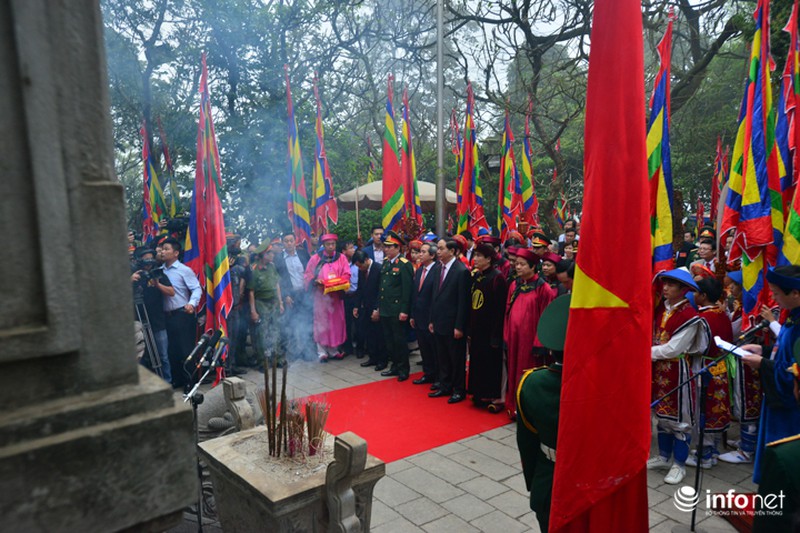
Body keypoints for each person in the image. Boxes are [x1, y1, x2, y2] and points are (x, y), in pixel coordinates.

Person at [647, 268, 710, 485]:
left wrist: (642, 352)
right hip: (658, 370)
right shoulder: (661, 309)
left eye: (671, 285)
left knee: (680, 420)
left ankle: (679, 464)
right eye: (664, 283)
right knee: (662, 417)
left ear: (684, 290)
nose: (665, 288)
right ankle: (664, 457)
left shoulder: (689, 317)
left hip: (678, 371)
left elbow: (673, 349)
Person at [739, 265, 800, 483]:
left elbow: (794, 370)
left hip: (791, 411)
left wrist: (763, 364)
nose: (773, 297)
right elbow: (785, 350)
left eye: (775, 293)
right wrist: (763, 351)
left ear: (794, 293)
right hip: (777, 403)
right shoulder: (794, 316)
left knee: (784, 469)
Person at [517, 294, 570, 533]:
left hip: (548, 478)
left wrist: (535, 480)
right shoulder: (604, 385)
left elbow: (526, 442)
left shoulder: (531, 383)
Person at [503, 247, 557, 419]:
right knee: (513, 370)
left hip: (530, 340)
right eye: (516, 264)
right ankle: (513, 406)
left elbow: (545, 316)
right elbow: (507, 311)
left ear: (533, 267)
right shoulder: (514, 285)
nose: (518, 267)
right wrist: (506, 335)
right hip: (514, 338)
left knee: (527, 373)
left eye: (522, 264)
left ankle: (529, 410)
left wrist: (540, 343)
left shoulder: (544, 288)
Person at [687, 277, 733, 469]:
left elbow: (699, 347)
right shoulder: (722, 313)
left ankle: (704, 456)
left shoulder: (702, 319)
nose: (693, 295)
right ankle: (712, 451)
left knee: (702, 409)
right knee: (716, 408)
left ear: (703, 296)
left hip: (703, 367)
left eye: (696, 292)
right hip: (720, 367)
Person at [718, 269, 763, 464]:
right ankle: (746, 442)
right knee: (743, 401)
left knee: (748, 403)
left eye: (736, 285)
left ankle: (747, 450)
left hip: (749, 363)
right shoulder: (740, 308)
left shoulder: (751, 311)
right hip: (742, 359)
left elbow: (735, 331)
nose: (732, 288)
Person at [428, 238, 472, 403]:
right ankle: (445, 386)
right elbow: (435, 296)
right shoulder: (439, 268)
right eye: (437, 249)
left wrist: (459, 326)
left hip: (453, 324)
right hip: (439, 321)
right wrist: (432, 319)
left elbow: (463, 302)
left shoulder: (461, 271)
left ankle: (459, 390)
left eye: (441, 249)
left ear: (452, 251)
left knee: (456, 358)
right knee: (443, 357)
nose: (438, 252)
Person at [468, 243, 508, 412]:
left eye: (479, 256)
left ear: (489, 259)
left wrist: (496, 335)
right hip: (477, 329)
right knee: (477, 361)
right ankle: (478, 393)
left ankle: (491, 396)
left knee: (490, 363)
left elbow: (500, 310)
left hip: (490, 329)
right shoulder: (477, 276)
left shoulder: (497, 278)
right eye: (474, 255)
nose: (475, 259)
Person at [160, 237, 202, 389]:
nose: (163, 252)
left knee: (186, 350)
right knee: (172, 350)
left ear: (176, 253)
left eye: (166, 249)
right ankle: (177, 379)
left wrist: (192, 303)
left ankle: (190, 382)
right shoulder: (159, 271)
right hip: (166, 316)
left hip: (182, 314)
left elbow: (197, 288)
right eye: (162, 249)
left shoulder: (184, 270)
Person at [304, 234, 351, 362]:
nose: (331, 247)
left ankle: (334, 350)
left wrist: (339, 282)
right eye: (328, 244)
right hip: (321, 297)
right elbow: (308, 275)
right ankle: (321, 351)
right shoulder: (316, 258)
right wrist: (316, 280)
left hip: (335, 297)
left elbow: (347, 273)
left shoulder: (341, 258)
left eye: (333, 244)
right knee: (321, 321)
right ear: (323, 246)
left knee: (336, 323)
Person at [130, 247, 174, 383]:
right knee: (140, 358)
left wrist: (157, 284)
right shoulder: (132, 273)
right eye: (145, 258)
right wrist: (130, 280)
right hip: (137, 322)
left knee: (163, 356)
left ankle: (167, 384)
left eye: (151, 257)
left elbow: (172, 292)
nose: (149, 261)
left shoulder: (158, 274)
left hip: (157, 322)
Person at [377, 231, 414, 381]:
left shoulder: (405, 265)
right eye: (385, 247)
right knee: (389, 341)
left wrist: (404, 310)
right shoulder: (386, 262)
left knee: (399, 341)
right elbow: (382, 287)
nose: (386, 249)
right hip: (386, 308)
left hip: (397, 309)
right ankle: (394, 366)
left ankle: (403, 368)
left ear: (397, 248)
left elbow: (407, 290)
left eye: (389, 247)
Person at [274, 232, 312, 362]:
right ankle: (293, 352)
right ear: (282, 243)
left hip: (305, 293)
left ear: (295, 241)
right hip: (290, 295)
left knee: (307, 321)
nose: (289, 243)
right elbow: (278, 280)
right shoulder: (278, 259)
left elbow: (310, 272)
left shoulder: (303, 254)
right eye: (286, 241)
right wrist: (285, 295)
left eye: (291, 240)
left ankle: (308, 351)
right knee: (292, 323)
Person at [248, 242, 284, 368]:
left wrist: (280, 303)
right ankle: (262, 361)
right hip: (261, 303)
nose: (272, 255)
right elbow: (251, 292)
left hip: (273, 302)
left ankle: (277, 358)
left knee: (276, 330)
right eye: (270, 253)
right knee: (262, 332)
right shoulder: (254, 270)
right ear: (263, 255)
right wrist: (253, 311)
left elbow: (277, 285)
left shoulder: (272, 267)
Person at [411, 242, 440, 386]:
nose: (420, 254)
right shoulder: (419, 270)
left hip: (430, 317)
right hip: (418, 316)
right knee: (423, 348)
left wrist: (433, 319)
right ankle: (428, 373)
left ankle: (437, 377)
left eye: (423, 252)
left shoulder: (438, 270)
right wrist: (412, 315)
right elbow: (415, 294)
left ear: (432, 255)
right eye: (419, 251)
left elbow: (436, 297)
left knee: (434, 349)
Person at [352, 250, 386, 370]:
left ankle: (382, 360)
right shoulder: (362, 271)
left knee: (379, 335)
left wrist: (377, 308)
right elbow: (360, 289)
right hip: (366, 307)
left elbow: (381, 291)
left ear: (366, 260)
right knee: (369, 334)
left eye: (360, 265)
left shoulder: (378, 268)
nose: (359, 268)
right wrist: (356, 306)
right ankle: (373, 358)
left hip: (377, 307)